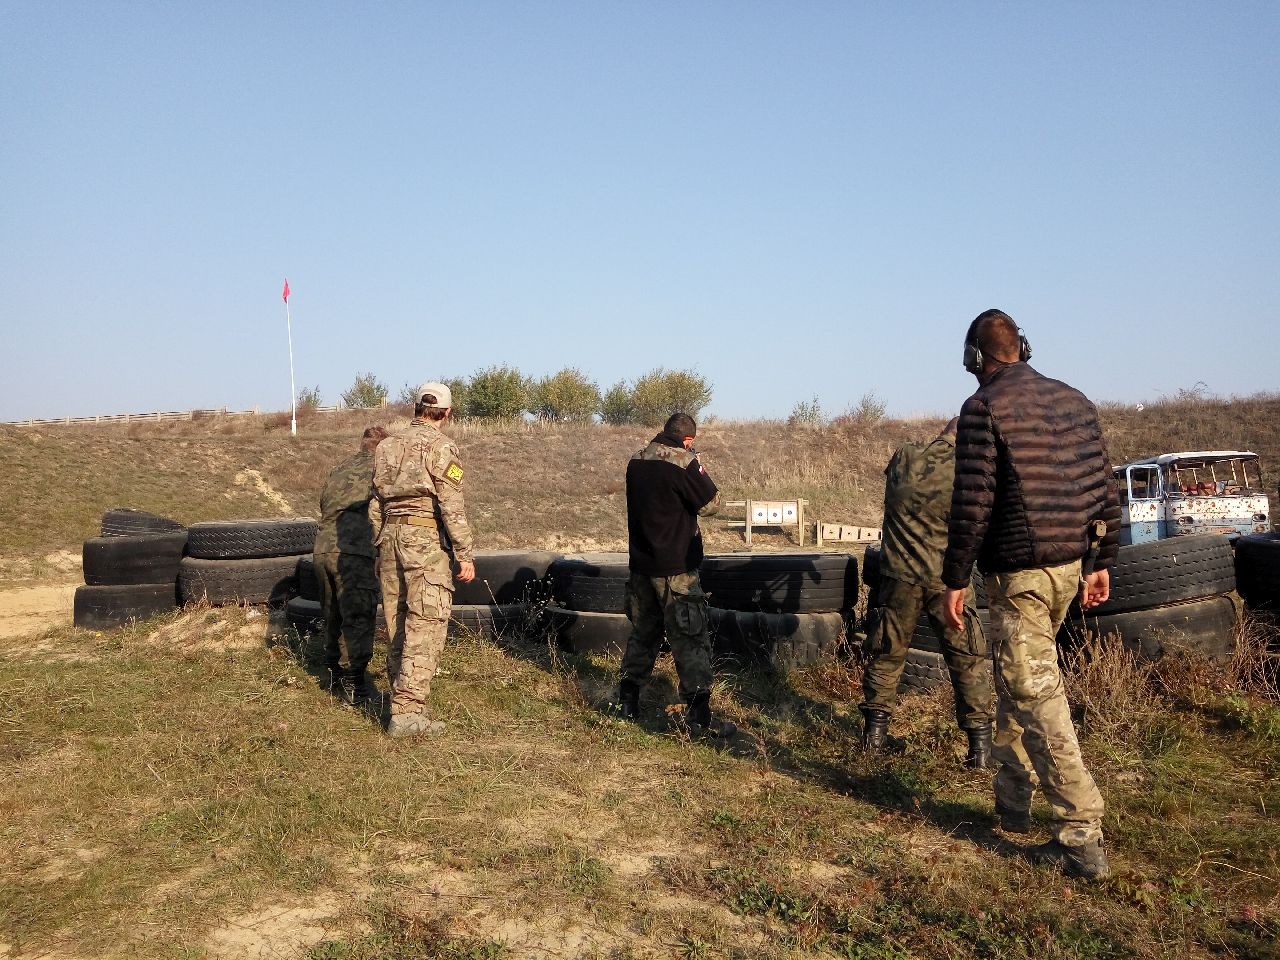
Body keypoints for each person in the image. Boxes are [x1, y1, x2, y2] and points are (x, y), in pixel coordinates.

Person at [942, 308, 1119, 880]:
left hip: (1019, 576)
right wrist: (1101, 560)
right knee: (1016, 678)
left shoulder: (982, 408)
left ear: (975, 357)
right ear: (1024, 347)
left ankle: (1080, 834)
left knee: (1035, 693)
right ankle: (1012, 803)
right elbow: (1104, 485)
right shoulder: (1075, 400)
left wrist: (954, 578)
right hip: (1069, 568)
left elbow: (973, 503)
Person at [860, 418, 994, 767]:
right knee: (967, 660)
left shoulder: (904, 456)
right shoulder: (969, 472)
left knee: (886, 654)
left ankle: (873, 739)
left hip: (898, 577)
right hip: (949, 580)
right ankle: (980, 750)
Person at [615, 412, 733, 738]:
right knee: (691, 640)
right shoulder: (684, 462)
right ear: (688, 439)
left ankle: (627, 704)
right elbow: (712, 504)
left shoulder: (636, 460)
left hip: (641, 566)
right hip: (676, 569)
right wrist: (696, 463)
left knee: (643, 634)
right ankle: (700, 717)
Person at [370, 383, 476, 737]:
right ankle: (407, 712)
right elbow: (451, 504)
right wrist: (464, 554)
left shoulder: (386, 446)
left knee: (397, 620)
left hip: (389, 538)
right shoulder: (442, 446)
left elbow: (375, 503)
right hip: (424, 540)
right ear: (447, 413)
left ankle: (402, 703)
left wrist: (379, 544)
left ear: (416, 408)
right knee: (425, 623)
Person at [315, 425, 387, 706]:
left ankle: (333, 675)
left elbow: (324, 504)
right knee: (358, 617)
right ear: (383, 447)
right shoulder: (380, 469)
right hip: (355, 552)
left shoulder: (339, 469)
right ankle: (355, 686)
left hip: (322, 549)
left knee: (332, 614)